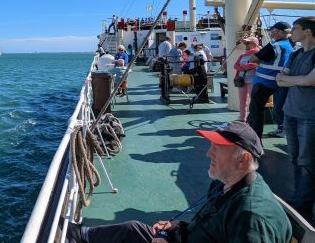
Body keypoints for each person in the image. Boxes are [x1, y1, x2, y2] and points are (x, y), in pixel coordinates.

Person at [67, 121, 292, 243]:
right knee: (132, 229)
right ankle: (80, 235)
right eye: (210, 146)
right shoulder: (226, 183)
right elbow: (213, 229)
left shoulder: (251, 218)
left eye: (218, 149)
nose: (208, 154)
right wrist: (179, 226)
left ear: (243, 160)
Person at [276, 16, 315, 223]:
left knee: (307, 163)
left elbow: (311, 80)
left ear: (307, 31)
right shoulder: (296, 54)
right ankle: (299, 199)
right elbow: (279, 81)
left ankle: (302, 207)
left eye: (295, 29)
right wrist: (303, 81)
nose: (292, 33)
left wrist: (298, 80)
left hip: (310, 116)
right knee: (295, 159)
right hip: (290, 113)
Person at [247, 21, 293, 139]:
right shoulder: (290, 46)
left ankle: (255, 138)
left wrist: (260, 60)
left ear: (277, 31)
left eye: (272, 30)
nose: (271, 32)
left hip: (263, 83)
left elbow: (252, 59)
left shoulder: (272, 46)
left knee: (256, 110)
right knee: (280, 108)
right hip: (282, 83)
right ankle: (283, 129)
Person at [233, 37, 260, 122]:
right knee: (242, 100)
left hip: (253, 80)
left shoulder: (258, 53)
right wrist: (244, 67)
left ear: (254, 43)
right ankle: (242, 119)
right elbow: (235, 66)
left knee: (254, 101)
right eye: (245, 43)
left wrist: (243, 67)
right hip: (242, 80)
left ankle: (253, 118)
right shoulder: (243, 55)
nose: (246, 45)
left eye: (248, 43)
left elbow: (255, 65)